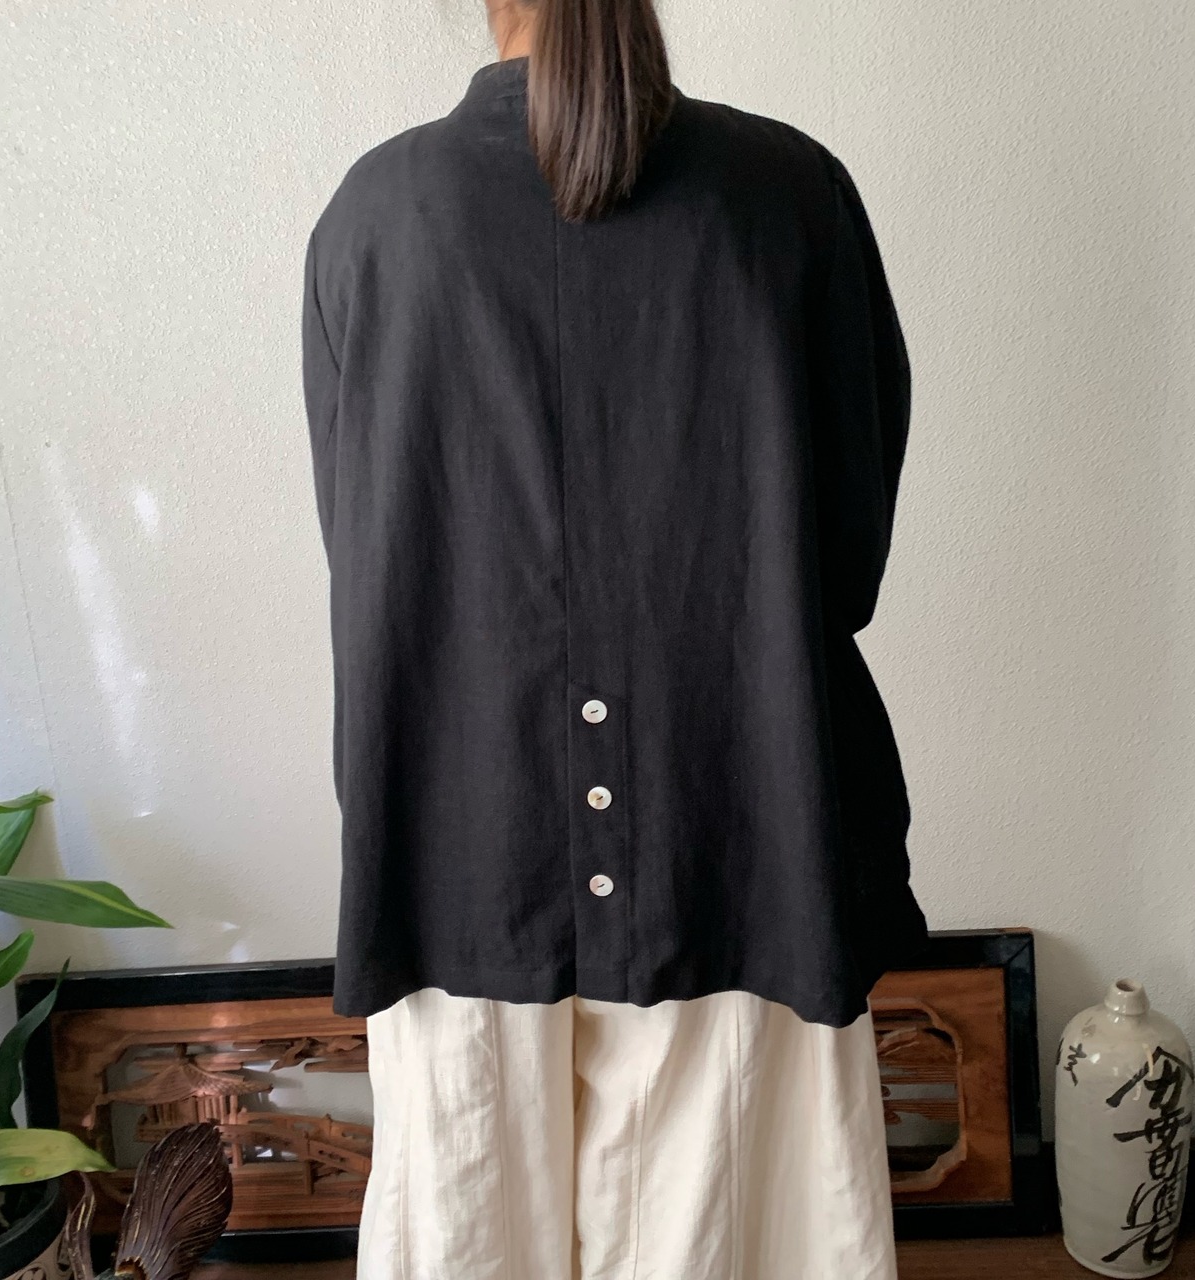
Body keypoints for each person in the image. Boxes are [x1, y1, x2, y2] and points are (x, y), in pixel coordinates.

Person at [301, 0, 931, 1275]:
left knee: (467, 1235)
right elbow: (846, 547)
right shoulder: (787, 196)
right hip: (741, 832)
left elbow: (365, 560)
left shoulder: (373, 217)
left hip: (458, 851)